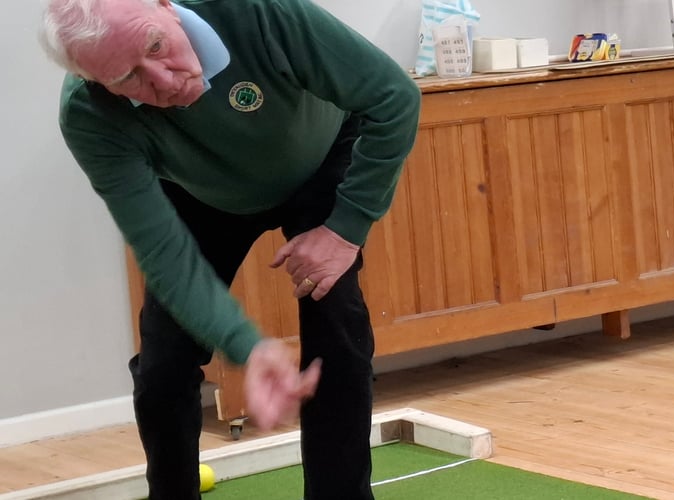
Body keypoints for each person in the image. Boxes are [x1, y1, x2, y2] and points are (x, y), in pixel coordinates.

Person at [39, 0, 421, 498]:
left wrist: (345, 229)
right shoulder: (88, 115)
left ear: (164, 7)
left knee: (337, 329)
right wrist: (249, 347)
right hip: (199, 190)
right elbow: (165, 254)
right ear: (97, 83)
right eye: (128, 77)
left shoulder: (254, 10)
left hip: (319, 157)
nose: (163, 79)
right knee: (164, 360)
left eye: (156, 46)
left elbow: (394, 97)